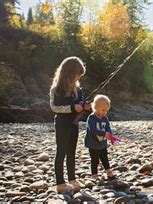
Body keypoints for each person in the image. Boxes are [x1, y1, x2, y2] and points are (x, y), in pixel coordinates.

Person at [49, 56, 90, 193]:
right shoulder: (57, 89)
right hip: (62, 123)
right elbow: (55, 107)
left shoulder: (78, 89)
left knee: (72, 151)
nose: (78, 78)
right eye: (77, 75)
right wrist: (73, 108)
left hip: (74, 124)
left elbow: (80, 103)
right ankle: (60, 183)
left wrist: (85, 106)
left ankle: (72, 179)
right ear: (69, 73)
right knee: (61, 151)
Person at [84, 94, 116, 180]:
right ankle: (94, 174)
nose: (105, 112)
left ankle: (108, 171)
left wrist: (110, 135)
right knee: (94, 160)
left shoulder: (105, 118)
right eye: (103, 110)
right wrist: (103, 133)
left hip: (102, 143)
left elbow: (108, 127)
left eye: (106, 111)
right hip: (93, 144)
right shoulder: (91, 118)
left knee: (105, 157)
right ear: (95, 108)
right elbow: (93, 130)